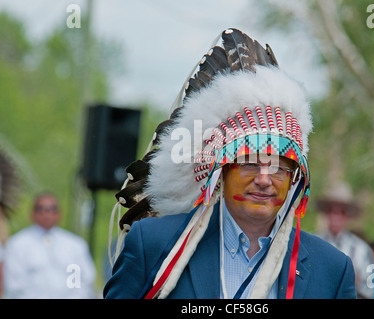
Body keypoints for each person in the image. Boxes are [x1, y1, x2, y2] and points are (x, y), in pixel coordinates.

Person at [104, 29, 356, 299]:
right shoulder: (153, 243)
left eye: (279, 168)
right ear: (221, 172)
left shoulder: (331, 269)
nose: (263, 179)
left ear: (295, 179)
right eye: (248, 164)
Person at [3, 193, 97, 298]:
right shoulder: (17, 244)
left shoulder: (75, 244)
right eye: (41, 209)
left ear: (59, 213)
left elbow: (85, 281)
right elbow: (14, 285)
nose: (46, 214)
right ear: (32, 213)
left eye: (52, 209)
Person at [316, 181, 374, 299]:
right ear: (326, 213)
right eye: (331, 210)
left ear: (348, 214)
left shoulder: (363, 249)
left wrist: (356, 282)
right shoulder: (312, 243)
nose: (335, 215)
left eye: (341, 211)